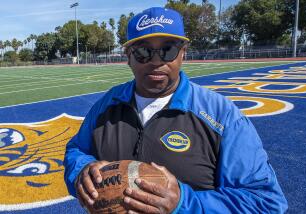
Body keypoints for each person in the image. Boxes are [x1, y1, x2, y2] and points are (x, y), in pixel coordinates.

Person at [64, 7, 288, 213]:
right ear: (128, 56)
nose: (156, 61)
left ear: (183, 53)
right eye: (143, 51)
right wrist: (81, 171)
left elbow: (266, 202)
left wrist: (183, 203)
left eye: (168, 50)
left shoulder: (222, 115)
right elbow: (76, 149)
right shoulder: (107, 105)